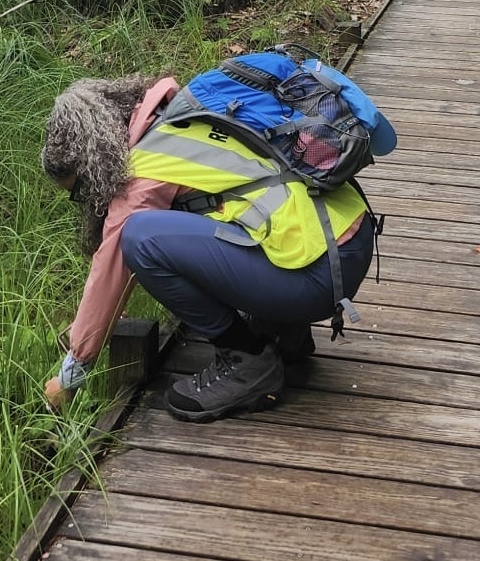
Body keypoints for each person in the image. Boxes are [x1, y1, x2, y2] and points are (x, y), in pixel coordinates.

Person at [40, 72, 390, 423]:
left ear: (91, 164)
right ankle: (284, 331)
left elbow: (112, 268)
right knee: (208, 223)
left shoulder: (141, 175)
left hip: (319, 274)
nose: (85, 200)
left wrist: (70, 376)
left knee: (140, 239)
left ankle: (248, 361)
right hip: (344, 237)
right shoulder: (182, 120)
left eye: (79, 190)